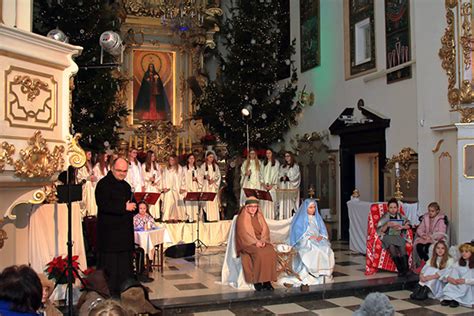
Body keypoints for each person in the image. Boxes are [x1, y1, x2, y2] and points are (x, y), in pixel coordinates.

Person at [95, 157, 137, 296]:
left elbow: (133, 205)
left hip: (124, 237)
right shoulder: (103, 184)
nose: (122, 174)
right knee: (110, 271)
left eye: (125, 171)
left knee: (125, 269)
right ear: (112, 168)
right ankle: (109, 295)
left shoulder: (126, 185)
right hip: (110, 237)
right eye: (119, 170)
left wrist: (134, 206)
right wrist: (123, 207)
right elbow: (103, 205)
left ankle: (125, 292)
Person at [287, 199, 335, 285]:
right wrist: (308, 237)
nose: (313, 209)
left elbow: (322, 231)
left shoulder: (317, 218)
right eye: (310, 207)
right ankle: (312, 272)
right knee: (315, 250)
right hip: (305, 241)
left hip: (317, 239)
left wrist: (321, 236)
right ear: (306, 208)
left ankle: (323, 272)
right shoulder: (301, 219)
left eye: (314, 207)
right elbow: (298, 233)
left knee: (326, 249)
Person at [235, 197, 277, 291]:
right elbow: (243, 234)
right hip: (247, 243)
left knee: (271, 251)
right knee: (260, 253)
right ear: (246, 207)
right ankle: (257, 281)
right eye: (251, 207)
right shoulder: (242, 218)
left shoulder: (260, 216)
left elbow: (266, 231)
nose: (253, 209)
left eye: (255, 206)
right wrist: (255, 242)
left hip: (261, 242)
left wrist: (262, 241)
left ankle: (267, 281)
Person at [376, 198, 412, 276]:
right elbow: (379, 230)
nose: (393, 209)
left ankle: (406, 269)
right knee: (391, 247)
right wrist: (387, 224)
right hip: (387, 236)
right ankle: (400, 269)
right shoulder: (385, 217)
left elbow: (409, 225)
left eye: (395, 207)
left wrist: (402, 227)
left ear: (397, 208)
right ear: (388, 208)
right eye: (391, 207)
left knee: (402, 246)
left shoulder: (400, 215)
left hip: (397, 235)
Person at [413, 202, 447, 268]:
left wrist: (432, 237)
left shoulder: (441, 220)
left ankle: (429, 264)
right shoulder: (426, 218)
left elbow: (441, 233)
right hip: (426, 238)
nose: (430, 213)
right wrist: (423, 235)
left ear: (437, 211)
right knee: (418, 246)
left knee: (427, 248)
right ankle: (425, 263)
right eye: (429, 211)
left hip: (435, 239)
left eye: (432, 211)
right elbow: (420, 229)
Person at [440, 242, 474, 308]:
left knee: (469, 273)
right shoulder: (458, 262)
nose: (463, 253)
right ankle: (449, 298)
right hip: (457, 282)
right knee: (454, 270)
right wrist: (449, 278)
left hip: (468, 284)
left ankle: (456, 299)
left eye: (466, 251)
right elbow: (447, 271)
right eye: (462, 251)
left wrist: (465, 281)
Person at [161, 154, 185, 222]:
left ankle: (177, 217)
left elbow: (183, 179)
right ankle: (168, 217)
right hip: (168, 189)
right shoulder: (166, 169)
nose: (171, 161)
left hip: (177, 189)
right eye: (170, 160)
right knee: (169, 203)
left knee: (177, 203)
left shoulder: (179, 168)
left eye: (172, 160)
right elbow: (164, 178)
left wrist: (182, 187)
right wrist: (164, 187)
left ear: (175, 160)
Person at [278, 151, 301, 219]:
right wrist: (282, 178)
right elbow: (279, 176)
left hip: (291, 187)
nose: (287, 158)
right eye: (285, 156)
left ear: (291, 157)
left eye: (288, 156)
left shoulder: (295, 166)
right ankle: (282, 217)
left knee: (290, 203)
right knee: (283, 203)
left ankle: (291, 218)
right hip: (284, 187)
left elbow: (297, 176)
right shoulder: (282, 167)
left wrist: (288, 178)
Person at [180, 153, 202, 222]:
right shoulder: (184, 169)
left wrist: (197, 179)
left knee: (195, 204)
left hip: (195, 187)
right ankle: (189, 218)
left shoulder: (197, 169)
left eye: (193, 158)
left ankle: (195, 218)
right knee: (188, 204)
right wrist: (183, 187)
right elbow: (182, 179)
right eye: (190, 158)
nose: (192, 160)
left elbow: (201, 178)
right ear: (188, 160)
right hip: (187, 188)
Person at [200, 151, 221, 221]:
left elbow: (218, 176)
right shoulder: (203, 166)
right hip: (206, 187)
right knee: (207, 203)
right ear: (207, 157)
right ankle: (207, 218)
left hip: (213, 187)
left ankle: (214, 218)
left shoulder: (215, 166)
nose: (211, 158)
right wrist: (205, 177)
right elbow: (199, 176)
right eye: (210, 157)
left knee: (213, 202)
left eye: (212, 157)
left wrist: (214, 180)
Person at [141, 150, 161, 219]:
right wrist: (149, 179)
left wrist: (156, 181)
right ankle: (148, 216)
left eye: (154, 156)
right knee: (148, 202)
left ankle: (155, 217)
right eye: (152, 156)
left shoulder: (157, 165)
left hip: (155, 186)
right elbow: (142, 176)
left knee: (155, 201)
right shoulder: (144, 165)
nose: (154, 157)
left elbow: (160, 175)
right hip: (148, 186)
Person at [260, 149, 280, 219]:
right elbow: (261, 174)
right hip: (264, 186)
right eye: (267, 153)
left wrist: (272, 184)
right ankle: (264, 218)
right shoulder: (263, 163)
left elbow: (276, 174)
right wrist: (263, 184)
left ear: (272, 154)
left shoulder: (276, 163)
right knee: (264, 203)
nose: (268, 154)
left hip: (272, 186)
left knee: (272, 203)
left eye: (269, 153)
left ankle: (272, 218)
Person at [77, 150, 98, 217]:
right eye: (89, 154)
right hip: (86, 187)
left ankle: (92, 213)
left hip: (91, 186)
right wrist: (88, 178)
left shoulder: (90, 164)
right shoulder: (82, 166)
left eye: (91, 154)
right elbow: (80, 178)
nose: (90, 156)